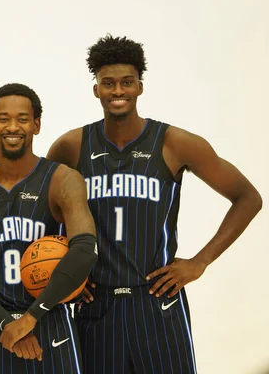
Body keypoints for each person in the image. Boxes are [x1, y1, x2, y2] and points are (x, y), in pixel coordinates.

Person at [46, 34, 263, 373]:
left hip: (157, 301)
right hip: (95, 304)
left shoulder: (174, 142)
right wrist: (67, 277)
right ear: (96, 89)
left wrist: (199, 262)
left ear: (140, 87)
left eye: (127, 82)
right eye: (108, 83)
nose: (118, 91)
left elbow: (248, 198)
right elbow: (48, 218)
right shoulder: (70, 147)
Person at [0, 83, 98, 373]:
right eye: (4, 118)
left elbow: (85, 250)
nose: (13, 127)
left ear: (36, 125)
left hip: (49, 321)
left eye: (22, 119)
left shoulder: (62, 180)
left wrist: (30, 319)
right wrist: (9, 324)